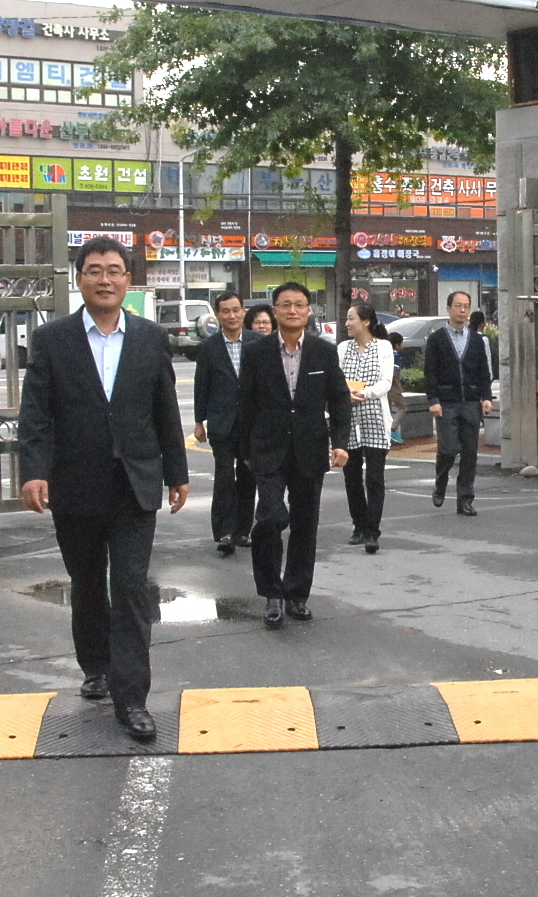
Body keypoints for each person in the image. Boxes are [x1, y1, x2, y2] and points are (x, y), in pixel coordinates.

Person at [18, 236, 189, 743]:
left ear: (128, 281)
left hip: (136, 483)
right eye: (95, 270)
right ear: (80, 279)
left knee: (132, 585)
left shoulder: (151, 338)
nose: (105, 279)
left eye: (115, 270)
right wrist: (34, 470)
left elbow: (164, 410)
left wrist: (177, 473)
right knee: (88, 582)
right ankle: (95, 664)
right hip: (76, 483)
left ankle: (132, 697)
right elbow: (37, 415)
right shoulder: (52, 340)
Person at [239, 283, 351, 628]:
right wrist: (245, 451)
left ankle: (296, 594)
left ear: (307, 311)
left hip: (310, 449)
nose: (292, 310)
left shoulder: (323, 352)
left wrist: (340, 442)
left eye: (299, 305)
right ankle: (272, 592)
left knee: (306, 525)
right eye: (285, 305)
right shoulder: (257, 353)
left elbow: (340, 398)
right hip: (268, 451)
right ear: (273, 311)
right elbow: (245, 403)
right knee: (271, 518)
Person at [192, 292, 256, 557]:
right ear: (217, 315)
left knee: (248, 476)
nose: (231, 316)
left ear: (243, 312)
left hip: (252, 423)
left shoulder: (258, 342)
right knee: (224, 477)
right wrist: (199, 421)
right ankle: (224, 532)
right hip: (221, 422)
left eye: (235, 310)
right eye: (225, 311)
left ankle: (243, 530)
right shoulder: (208, 348)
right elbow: (201, 386)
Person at [424, 290, 492, 516]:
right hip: (447, 402)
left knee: (470, 452)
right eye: (458, 306)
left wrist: (486, 397)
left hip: (471, 402)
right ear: (448, 309)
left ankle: (465, 499)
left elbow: (484, 372)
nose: (462, 311)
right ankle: (440, 484)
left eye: (466, 306)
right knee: (448, 449)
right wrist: (434, 399)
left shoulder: (476, 339)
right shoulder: (436, 338)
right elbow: (430, 373)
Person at [338, 303, 394, 555]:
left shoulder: (383, 347)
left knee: (374, 477)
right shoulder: (341, 348)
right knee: (351, 478)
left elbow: (386, 381)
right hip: (348, 419)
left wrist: (364, 393)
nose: (347, 323)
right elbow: (335, 379)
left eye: (351, 319)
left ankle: (373, 531)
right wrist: (344, 393)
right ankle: (358, 525)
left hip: (374, 418)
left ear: (366, 321)